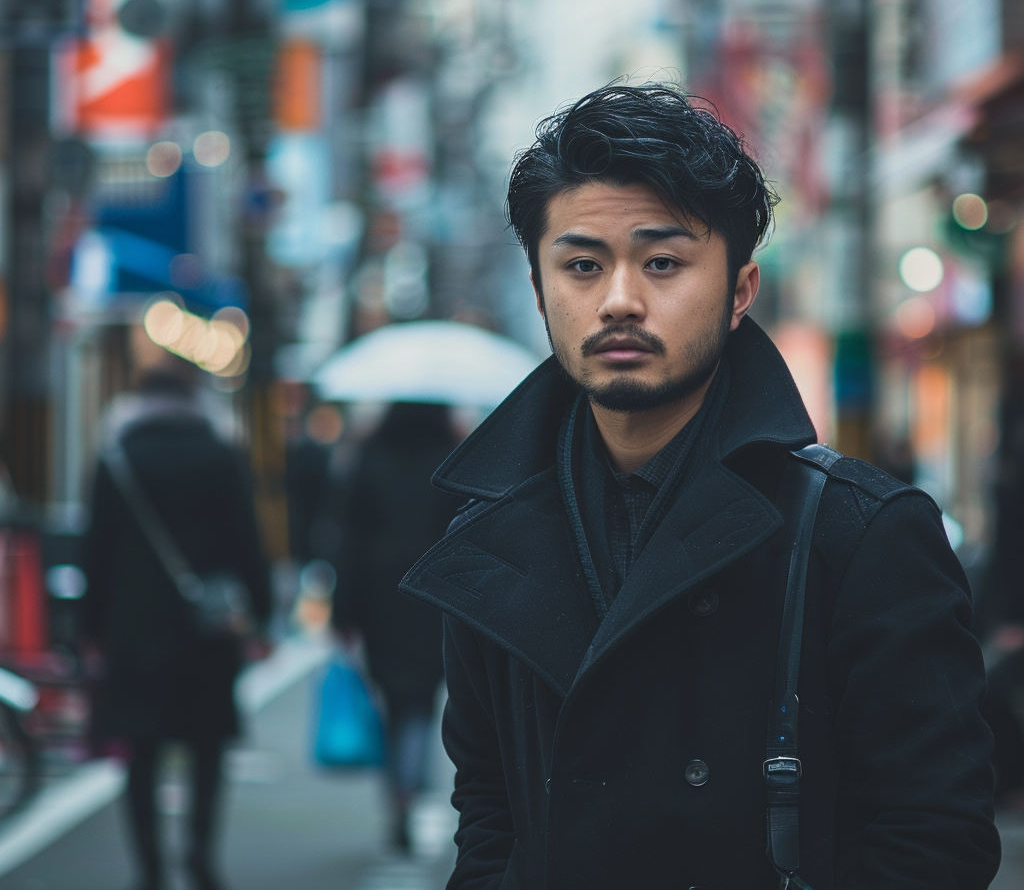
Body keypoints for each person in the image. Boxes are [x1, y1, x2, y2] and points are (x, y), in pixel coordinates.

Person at [400, 85, 1001, 889]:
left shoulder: (858, 536)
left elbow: (934, 840)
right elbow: (490, 813)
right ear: (542, 293)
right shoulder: (487, 542)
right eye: (582, 265)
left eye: (663, 262)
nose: (618, 299)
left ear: (739, 293)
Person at [82, 337, 272, 890]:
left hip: (133, 631)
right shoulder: (220, 452)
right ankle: (200, 856)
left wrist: (90, 630)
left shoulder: (116, 457)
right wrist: (260, 614)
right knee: (207, 747)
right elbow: (247, 542)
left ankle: (149, 868)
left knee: (140, 752)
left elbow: (97, 551)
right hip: (207, 632)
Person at [332, 402, 462, 851]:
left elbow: (348, 537)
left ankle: (397, 795)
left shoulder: (370, 455)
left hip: (379, 594)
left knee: (390, 696)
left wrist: (342, 613)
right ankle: (411, 779)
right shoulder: (453, 455)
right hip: (435, 594)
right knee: (423, 698)